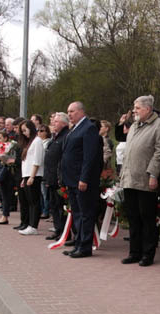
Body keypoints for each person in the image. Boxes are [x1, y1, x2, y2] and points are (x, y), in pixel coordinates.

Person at [118, 95, 160, 266]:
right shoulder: (134, 126)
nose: (134, 111)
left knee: (147, 218)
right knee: (133, 217)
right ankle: (134, 252)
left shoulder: (159, 125)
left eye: (137, 108)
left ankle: (148, 254)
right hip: (130, 178)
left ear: (147, 109)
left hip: (146, 179)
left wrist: (153, 174)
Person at [61, 101, 103, 257]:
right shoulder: (74, 129)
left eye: (72, 111)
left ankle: (85, 247)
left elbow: (89, 157)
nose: (69, 114)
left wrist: (84, 178)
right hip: (72, 179)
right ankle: (78, 244)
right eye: (68, 111)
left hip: (82, 180)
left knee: (85, 214)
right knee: (77, 213)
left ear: (81, 111)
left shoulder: (89, 128)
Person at [44, 112, 70, 240]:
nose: (53, 124)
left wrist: (60, 178)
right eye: (53, 121)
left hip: (59, 178)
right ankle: (58, 229)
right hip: (51, 177)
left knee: (60, 206)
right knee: (53, 205)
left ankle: (65, 232)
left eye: (56, 121)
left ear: (64, 123)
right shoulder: (55, 137)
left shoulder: (65, 136)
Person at [17, 120, 45, 235]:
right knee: (29, 201)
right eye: (22, 131)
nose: (24, 133)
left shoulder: (37, 141)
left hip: (34, 175)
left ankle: (33, 226)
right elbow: (26, 162)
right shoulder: (29, 142)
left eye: (25, 130)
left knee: (34, 201)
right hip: (27, 174)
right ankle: (30, 224)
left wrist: (32, 177)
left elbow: (37, 161)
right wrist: (24, 178)